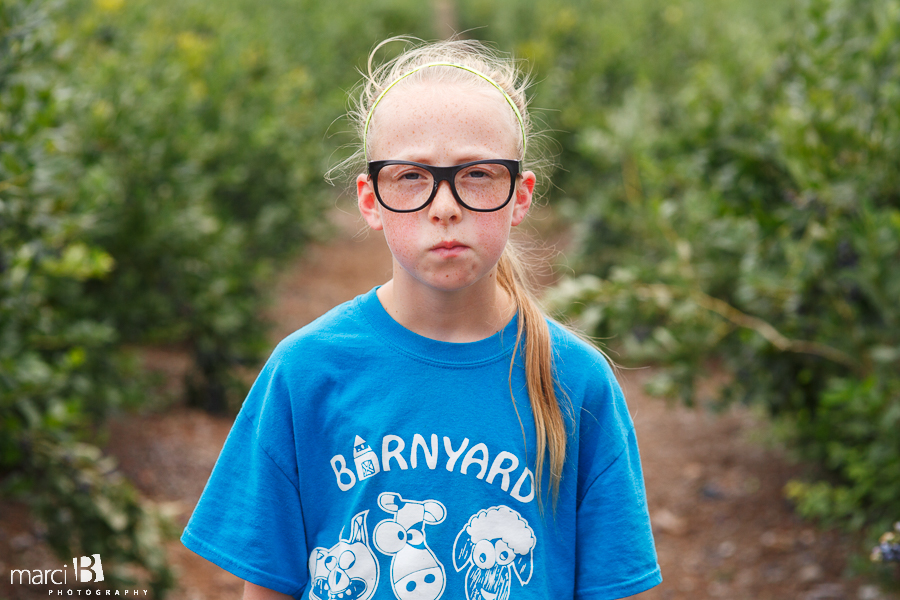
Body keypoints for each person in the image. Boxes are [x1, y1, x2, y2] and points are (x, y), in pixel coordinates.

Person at [181, 36, 662, 600]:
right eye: (410, 176)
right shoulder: (306, 371)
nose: (445, 205)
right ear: (369, 199)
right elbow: (268, 586)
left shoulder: (576, 383)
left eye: (478, 174)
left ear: (521, 195)